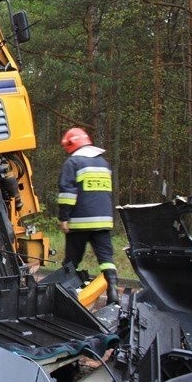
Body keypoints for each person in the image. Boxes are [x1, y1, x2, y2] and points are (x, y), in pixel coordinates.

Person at [58, 127, 119, 304]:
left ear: (71, 144)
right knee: (106, 259)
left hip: (79, 222)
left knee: (71, 261)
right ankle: (113, 292)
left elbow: (67, 194)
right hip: (103, 221)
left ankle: (63, 294)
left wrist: (64, 218)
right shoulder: (103, 163)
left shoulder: (73, 163)